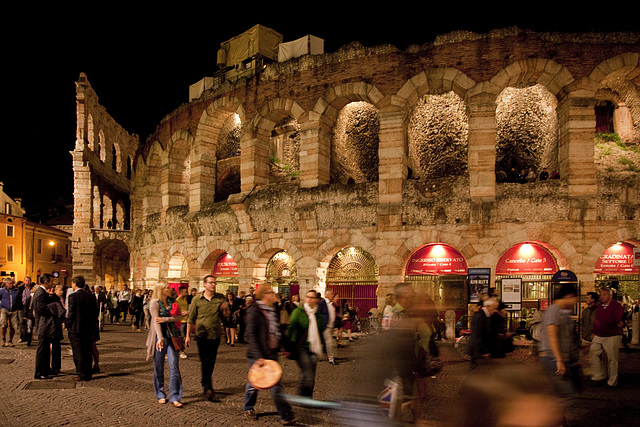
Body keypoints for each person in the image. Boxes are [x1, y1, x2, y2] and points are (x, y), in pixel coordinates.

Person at [243, 285, 296, 424]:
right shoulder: (254, 310)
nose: (274, 294)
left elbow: (276, 331)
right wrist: (258, 355)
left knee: (276, 384)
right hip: (259, 354)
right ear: (265, 294)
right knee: (254, 384)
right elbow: (251, 335)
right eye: (272, 292)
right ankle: (248, 407)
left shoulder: (272, 310)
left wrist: (284, 346)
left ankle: (286, 415)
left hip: (272, 353)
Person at [538, 282, 581, 426]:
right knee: (568, 394)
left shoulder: (559, 312)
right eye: (575, 298)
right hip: (551, 359)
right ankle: (545, 417)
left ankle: (559, 422)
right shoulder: (554, 310)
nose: (575, 302)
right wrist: (559, 360)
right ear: (568, 296)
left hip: (555, 359)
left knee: (558, 393)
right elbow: (552, 335)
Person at [185, 275, 229, 401]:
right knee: (205, 361)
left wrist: (226, 308)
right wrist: (187, 335)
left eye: (215, 283)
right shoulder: (197, 299)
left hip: (214, 334)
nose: (213, 285)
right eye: (211, 283)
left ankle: (205, 382)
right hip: (201, 335)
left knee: (211, 361)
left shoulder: (220, 298)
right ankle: (208, 386)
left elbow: (226, 316)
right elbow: (191, 318)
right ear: (204, 284)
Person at [146, 282, 183, 407]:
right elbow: (156, 322)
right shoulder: (154, 304)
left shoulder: (172, 302)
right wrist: (160, 338)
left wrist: (166, 319)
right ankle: (160, 393)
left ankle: (175, 396)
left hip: (172, 336)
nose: (170, 289)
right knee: (159, 366)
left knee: (174, 366)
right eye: (167, 288)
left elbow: (178, 318)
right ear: (161, 290)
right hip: (159, 337)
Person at [285, 290, 324, 397]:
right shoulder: (298, 312)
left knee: (308, 374)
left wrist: (323, 347)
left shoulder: (318, 314)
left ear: (316, 300)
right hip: (301, 348)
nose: (309, 299)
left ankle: (305, 395)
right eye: (308, 297)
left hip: (313, 347)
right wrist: (288, 347)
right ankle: (306, 398)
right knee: (308, 374)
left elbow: (320, 331)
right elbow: (291, 329)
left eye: (312, 297)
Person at [589, 287, 623, 387]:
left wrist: (603, 324)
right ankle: (599, 375)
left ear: (609, 295)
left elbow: (615, 319)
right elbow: (597, 319)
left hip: (611, 335)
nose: (602, 297)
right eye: (601, 295)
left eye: (604, 294)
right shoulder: (600, 306)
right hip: (599, 334)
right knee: (594, 352)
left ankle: (612, 381)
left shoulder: (616, 306)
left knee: (612, 359)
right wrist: (594, 331)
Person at [66, 276, 98, 381]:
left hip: (76, 328)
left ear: (74, 284)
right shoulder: (91, 296)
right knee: (88, 351)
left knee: (78, 351)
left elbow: (71, 313)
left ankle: (81, 373)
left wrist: (67, 324)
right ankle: (88, 373)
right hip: (88, 328)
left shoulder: (72, 297)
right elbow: (95, 312)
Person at [33, 274, 61, 379]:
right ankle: (40, 372)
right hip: (43, 325)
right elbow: (41, 309)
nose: (52, 283)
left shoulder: (42, 292)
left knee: (45, 349)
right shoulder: (41, 293)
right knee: (42, 349)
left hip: (44, 325)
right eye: (51, 281)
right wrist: (52, 309)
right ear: (46, 282)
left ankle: (45, 369)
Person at [467, 298, 498, 370]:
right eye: (493, 308)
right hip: (478, 346)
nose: (494, 310)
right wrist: (484, 350)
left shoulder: (482, 314)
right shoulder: (481, 316)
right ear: (488, 307)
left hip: (478, 346)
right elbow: (479, 333)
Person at [0, 278, 21, 347]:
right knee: (3, 324)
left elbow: (19, 300)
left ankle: (10, 340)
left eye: (12, 283)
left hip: (14, 310)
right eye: (10, 283)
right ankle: (3, 339)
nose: (12, 285)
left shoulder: (16, 291)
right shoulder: (2, 291)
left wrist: (19, 308)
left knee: (13, 326)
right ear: (6, 284)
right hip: (4, 309)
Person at [322, 289, 337, 365]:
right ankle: (331, 359)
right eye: (331, 294)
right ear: (327, 295)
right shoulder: (323, 303)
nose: (332, 295)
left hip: (329, 327)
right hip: (325, 327)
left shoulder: (331, 304)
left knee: (328, 343)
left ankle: (331, 357)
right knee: (329, 343)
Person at [176, 287, 189, 358]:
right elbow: (176, 311)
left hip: (186, 320)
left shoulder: (185, 300)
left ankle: (181, 350)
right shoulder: (177, 300)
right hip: (180, 321)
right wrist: (182, 313)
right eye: (185, 292)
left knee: (184, 338)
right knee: (181, 337)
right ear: (181, 292)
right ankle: (181, 351)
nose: (187, 293)